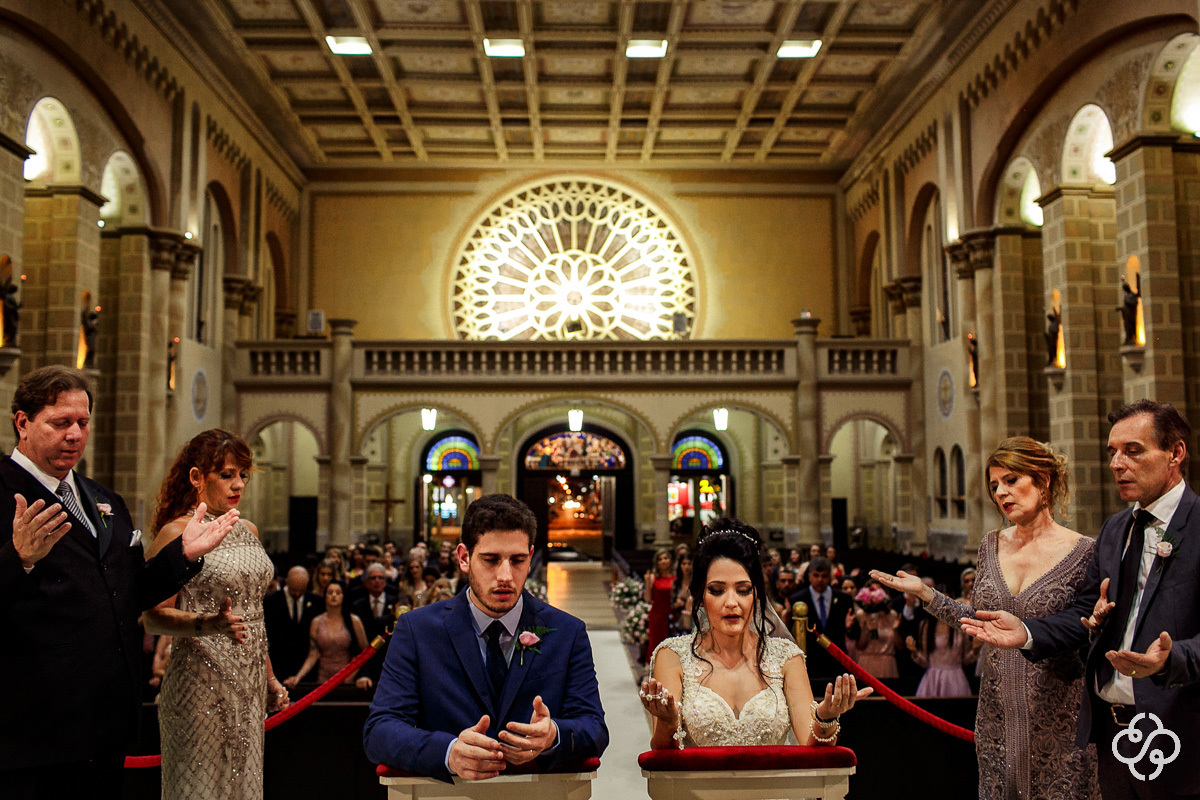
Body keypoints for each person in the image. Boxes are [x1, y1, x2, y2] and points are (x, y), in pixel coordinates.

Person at [0, 366, 237, 800]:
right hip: (31, 730)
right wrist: (19, 560)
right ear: (22, 422)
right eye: (60, 422)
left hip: (104, 722)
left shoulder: (103, 499)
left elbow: (127, 593)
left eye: (83, 422)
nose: (75, 434)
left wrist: (181, 555)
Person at [961, 403, 1200, 799]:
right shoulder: (1116, 529)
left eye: (1133, 451)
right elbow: (1081, 613)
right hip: (1111, 734)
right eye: (1113, 452)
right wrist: (1026, 632)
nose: (1117, 464)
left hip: (1177, 732)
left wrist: (1170, 659)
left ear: (1175, 453)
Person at [872, 435, 1099, 800]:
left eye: (1011, 480)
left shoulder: (1084, 551)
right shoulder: (990, 545)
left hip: (1058, 713)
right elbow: (978, 621)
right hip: (997, 714)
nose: (1001, 493)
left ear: (1043, 480)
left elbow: (1080, 631)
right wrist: (926, 595)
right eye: (994, 485)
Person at [363, 493, 608, 780]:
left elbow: (594, 728)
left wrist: (553, 735)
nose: (505, 576)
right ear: (464, 558)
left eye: (517, 560)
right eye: (491, 560)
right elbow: (379, 731)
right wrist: (448, 752)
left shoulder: (566, 632)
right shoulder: (418, 630)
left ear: (530, 558)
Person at [143, 429, 289, 800]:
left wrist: (270, 678)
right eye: (226, 475)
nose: (238, 484)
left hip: (249, 684)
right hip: (198, 682)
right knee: (199, 789)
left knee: (244, 788)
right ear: (197, 477)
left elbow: (253, 616)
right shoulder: (176, 532)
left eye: (243, 474)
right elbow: (152, 617)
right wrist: (207, 624)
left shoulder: (248, 530)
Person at [640, 519, 871, 748]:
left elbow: (811, 751)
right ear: (700, 596)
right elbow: (663, 756)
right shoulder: (673, 657)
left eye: (743, 590)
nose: (731, 602)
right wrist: (668, 723)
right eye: (717, 590)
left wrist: (826, 718)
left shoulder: (786, 657)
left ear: (756, 595)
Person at [285, 580, 373, 689]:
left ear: (343, 596)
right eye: (330, 592)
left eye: (338, 593)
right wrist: (298, 676)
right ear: (325, 596)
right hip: (323, 680)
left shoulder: (354, 621)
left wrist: (362, 675)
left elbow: (365, 652)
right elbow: (313, 654)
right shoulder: (316, 622)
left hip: (348, 678)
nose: (334, 596)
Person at [789, 557, 853, 684]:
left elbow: (854, 634)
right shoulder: (797, 599)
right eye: (816, 575)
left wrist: (850, 627)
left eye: (824, 576)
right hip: (810, 665)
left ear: (830, 576)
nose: (820, 580)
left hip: (837, 664)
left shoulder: (844, 599)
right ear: (809, 576)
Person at [907, 598, 976, 697]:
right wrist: (914, 651)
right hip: (933, 680)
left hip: (955, 679)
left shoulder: (960, 626)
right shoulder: (927, 626)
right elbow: (925, 661)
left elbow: (965, 660)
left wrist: (975, 650)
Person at [265, 565, 324, 680]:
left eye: (301, 591)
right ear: (286, 582)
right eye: (293, 590)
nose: (297, 594)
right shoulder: (270, 601)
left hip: (307, 669)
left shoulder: (317, 602)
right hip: (279, 666)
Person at [352, 562, 402, 684]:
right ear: (366, 582)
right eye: (373, 578)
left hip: (390, 660)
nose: (377, 581)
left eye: (380, 577)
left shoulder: (395, 602)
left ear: (385, 581)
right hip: (366, 660)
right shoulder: (357, 605)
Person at [644, 547, 675, 663]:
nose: (663, 561)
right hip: (657, 616)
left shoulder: (676, 576)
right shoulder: (653, 577)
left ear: (670, 560)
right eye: (660, 559)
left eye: (665, 558)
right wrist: (647, 583)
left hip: (673, 614)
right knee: (656, 644)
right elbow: (647, 599)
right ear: (656, 562)